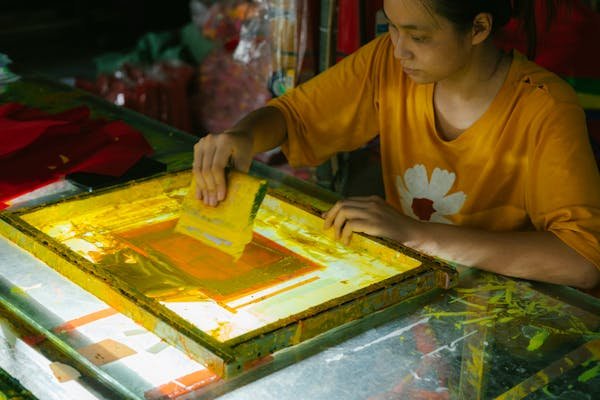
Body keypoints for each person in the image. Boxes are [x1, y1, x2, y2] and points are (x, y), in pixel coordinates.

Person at [192, 0, 600, 293]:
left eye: (418, 36)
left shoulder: (545, 108)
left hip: (507, 310)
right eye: (392, 28)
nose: (400, 49)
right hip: (419, 288)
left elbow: (581, 259)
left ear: (478, 28)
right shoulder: (386, 65)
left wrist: (416, 234)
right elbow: (294, 117)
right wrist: (244, 135)